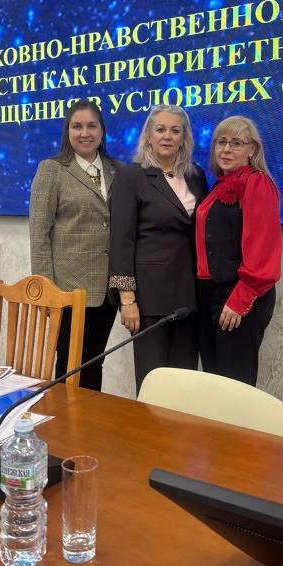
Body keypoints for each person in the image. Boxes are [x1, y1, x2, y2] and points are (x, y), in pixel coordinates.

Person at [109, 105, 208, 393]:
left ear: (184, 137)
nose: (167, 136)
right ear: (148, 136)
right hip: (149, 298)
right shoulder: (132, 176)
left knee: (183, 383)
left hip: (189, 296)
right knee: (153, 383)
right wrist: (127, 300)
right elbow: (121, 240)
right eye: (160, 129)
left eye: (175, 130)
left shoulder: (195, 175)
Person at [29, 100, 120, 391]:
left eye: (92, 126)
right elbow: (39, 234)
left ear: (102, 131)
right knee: (68, 364)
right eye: (77, 126)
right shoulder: (52, 170)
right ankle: (63, 417)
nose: (85, 133)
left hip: (106, 291)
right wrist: (46, 290)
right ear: (67, 131)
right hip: (67, 289)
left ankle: (90, 418)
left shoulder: (117, 170)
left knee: (94, 362)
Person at [195, 116, 282, 386]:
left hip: (239, 295)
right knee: (215, 383)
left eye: (236, 143)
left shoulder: (257, 183)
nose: (226, 149)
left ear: (252, 150)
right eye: (221, 142)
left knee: (234, 386)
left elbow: (263, 248)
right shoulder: (219, 185)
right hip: (212, 293)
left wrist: (239, 300)